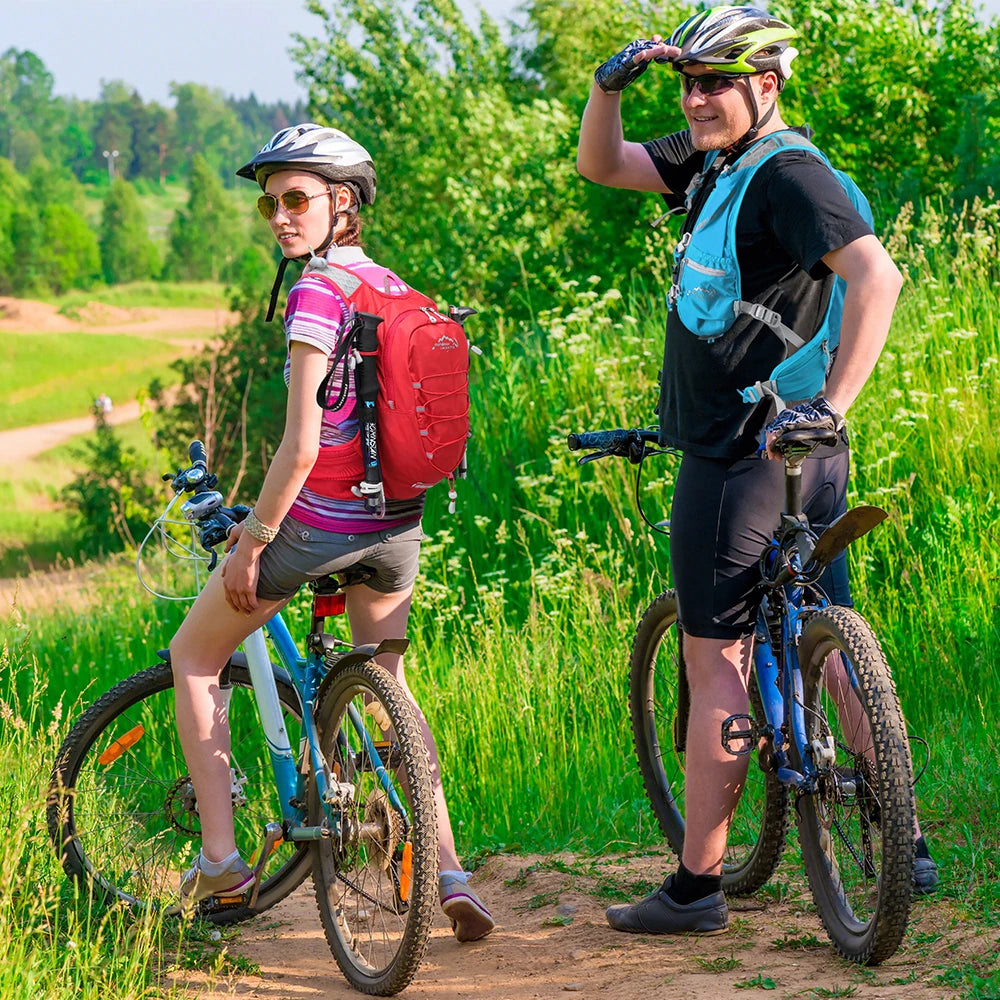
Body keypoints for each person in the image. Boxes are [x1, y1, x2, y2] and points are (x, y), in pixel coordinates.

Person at [576, 7, 936, 935]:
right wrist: (605, 88)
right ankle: (901, 828)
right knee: (825, 622)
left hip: (743, 456)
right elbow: (603, 166)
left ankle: (696, 885)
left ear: (766, 87)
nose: (696, 100)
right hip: (795, 450)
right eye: (687, 83)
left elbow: (877, 276)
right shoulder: (717, 162)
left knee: (717, 657)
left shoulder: (787, 171)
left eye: (715, 84)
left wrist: (836, 404)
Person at [168, 123, 494, 943]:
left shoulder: (318, 292)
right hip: (398, 527)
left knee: (194, 657)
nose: (278, 216)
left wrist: (253, 540)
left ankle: (220, 863)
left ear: (342, 204)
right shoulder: (395, 287)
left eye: (296, 199)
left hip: (320, 524)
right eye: (269, 202)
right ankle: (448, 867)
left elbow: (303, 442)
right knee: (391, 687)